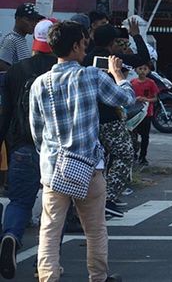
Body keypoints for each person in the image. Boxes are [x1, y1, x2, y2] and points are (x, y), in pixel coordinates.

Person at [30, 21, 133, 282]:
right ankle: (98, 276)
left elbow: (37, 131)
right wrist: (119, 76)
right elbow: (126, 101)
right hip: (88, 166)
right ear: (76, 46)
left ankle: (48, 276)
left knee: (50, 229)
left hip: (54, 167)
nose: (85, 48)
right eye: (84, 43)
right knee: (95, 229)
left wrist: (49, 155)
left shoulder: (40, 84)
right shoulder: (92, 76)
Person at [0, 19, 57, 279]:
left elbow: (7, 112)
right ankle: (45, 264)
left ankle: (10, 235)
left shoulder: (16, 71)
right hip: (56, 149)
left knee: (20, 202)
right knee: (55, 207)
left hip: (22, 146)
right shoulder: (64, 69)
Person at [83, 19, 149, 218]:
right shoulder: (113, 59)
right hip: (109, 117)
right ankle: (108, 198)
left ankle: (96, 198)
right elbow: (143, 58)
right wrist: (137, 35)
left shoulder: (85, 59)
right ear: (112, 43)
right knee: (124, 153)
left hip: (88, 118)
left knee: (99, 160)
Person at [129, 60, 159, 166]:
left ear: (148, 70)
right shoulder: (132, 83)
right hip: (134, 113)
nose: (142, 71)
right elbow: (129, 98)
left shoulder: (151, 83)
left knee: (145, 136)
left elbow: (155, 98)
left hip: (147, 113)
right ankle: (133, 155)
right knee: (133, 135)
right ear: (136, 70)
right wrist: (136, 99)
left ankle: (143, 156)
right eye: (140, 69)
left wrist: (146, 99)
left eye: (145, 69)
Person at [0, 3, 43, 71]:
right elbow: (1, 64)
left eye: (36, 21)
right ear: (18, 19)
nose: (34, 24)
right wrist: (18, 76)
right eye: (29, 20)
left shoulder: (20, 39)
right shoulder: (11, 39)